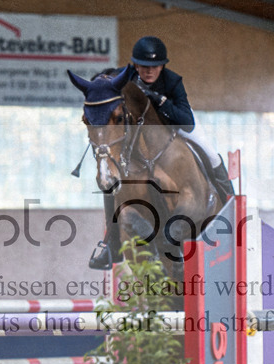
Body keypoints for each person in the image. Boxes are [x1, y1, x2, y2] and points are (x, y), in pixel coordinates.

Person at [88, 36, 234, 270]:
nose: (149, 71)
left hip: (174, 125)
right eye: (144, 66)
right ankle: (112, 245)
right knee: (110, 177)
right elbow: (102, 81)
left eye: (154, 67)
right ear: (135, 65)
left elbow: (186, 122)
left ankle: (230, 203)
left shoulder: (173, 81)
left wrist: (160, 100)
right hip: (139, 137)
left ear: (162, 66)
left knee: (210, 152)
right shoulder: (124, 76)